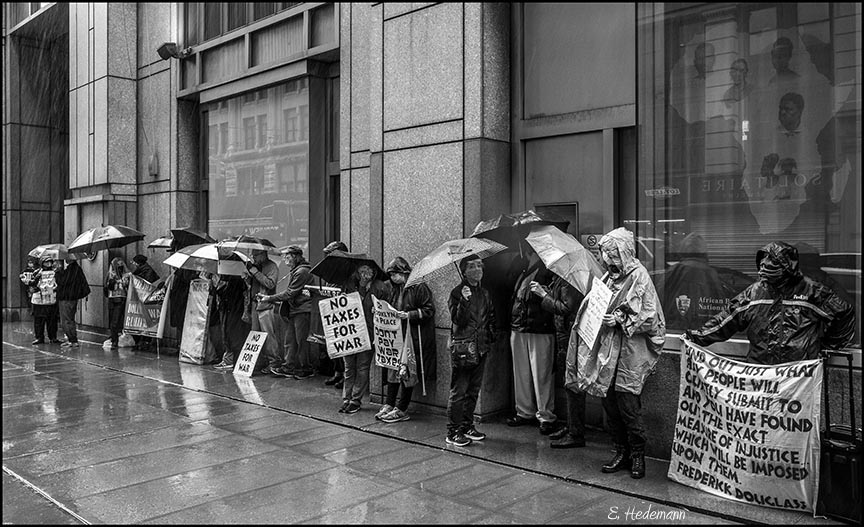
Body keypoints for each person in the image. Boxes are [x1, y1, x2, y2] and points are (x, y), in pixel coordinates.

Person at [686, 241, 855, 364]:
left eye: (771, 263)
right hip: (761, 374)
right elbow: (726, 320)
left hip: (797, 377)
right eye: (762, 263)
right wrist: (695, 337)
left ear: (787, 266)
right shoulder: (754, 293)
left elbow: (844, 312)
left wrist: (827, 346)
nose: (764, 267)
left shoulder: (811, 291)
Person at [590, 227, 666, 479]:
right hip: (609, 353)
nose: (608, 261)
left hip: (631, 354)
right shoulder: (609, 278)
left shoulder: (639, 276)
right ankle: (620, 451)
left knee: (628, 407)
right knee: (610, 404)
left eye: (612, 255)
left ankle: (637, 456)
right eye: (605, 256)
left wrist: (620, 320)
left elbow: (651, 316)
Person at [376, 257, 436, 424]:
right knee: (393, 370)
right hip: (396, 336)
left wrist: (409, 315)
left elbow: (429, 310)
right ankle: (389, 403)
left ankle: (402, 408)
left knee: (406, 372)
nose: (393, 278)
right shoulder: (392, 288)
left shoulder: (419, 287)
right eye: (391, 275)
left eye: (395, 274)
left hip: (411, 336)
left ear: (404, 273)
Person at [507, 248, 559, 434]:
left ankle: (545, 415)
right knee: (520, 372)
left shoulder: (551, 267)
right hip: (519, 325)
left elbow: (558, 297)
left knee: (542, 373)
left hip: (540, 325)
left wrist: (544, 292)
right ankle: (524, 411)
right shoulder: (521, 266)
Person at [446, 255, 496, 447]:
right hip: (464, 349)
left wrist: (490, 338)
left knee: (473, 390)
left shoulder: (485, 293)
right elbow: (458, 320)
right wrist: (464, 301)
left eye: (479, 266)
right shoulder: (457, 293)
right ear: (464, 271)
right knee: (459, 391)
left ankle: (467, 426)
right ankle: (453, 431)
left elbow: (490, 316)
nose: (478, 269)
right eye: (473, 266)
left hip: (481, 347)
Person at [531, 274, 585, 448]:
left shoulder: (570, 279)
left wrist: (543, 295)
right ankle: (571, 427)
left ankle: (575, 432)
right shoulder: (563, 278)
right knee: (569, 384)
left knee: (572, 384)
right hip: (565, 335)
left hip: (569, 336)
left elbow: (566, 308)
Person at [339, 262, 389, 414]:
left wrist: (379, 308)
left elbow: (387, 307)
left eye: (368, 271)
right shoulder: (349, 283)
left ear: (374, 273)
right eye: (362, 271)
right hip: (350, 332)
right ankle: (346, 398)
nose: (365, 274)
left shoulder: (380, 287)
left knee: (362, 367)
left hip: (369, 332)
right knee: (348, 367)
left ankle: (356, 399)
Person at [260, 245, 315, 379]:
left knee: (300, 341)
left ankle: (305, 369)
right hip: (295, 310)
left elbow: (291, 293)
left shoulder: (301, 272)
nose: (285, 259)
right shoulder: (297, 270)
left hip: (302, 310)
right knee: (290, 340)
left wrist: (270, 298)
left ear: (296, 256)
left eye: (288, 256)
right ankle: (288, 367)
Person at [657, 233, 730, 331]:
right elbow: (721, 308)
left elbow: (657, 300)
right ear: (705, 252)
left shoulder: (672, 272)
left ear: (682, 250)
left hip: (672, 329)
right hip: (704, 331)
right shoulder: (711, 274)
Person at [313, 241, 350, 388]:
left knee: (344, 347)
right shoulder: (331, 268)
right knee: (333, 345)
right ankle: (338, 372)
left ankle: (345, 376)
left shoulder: (347, 269)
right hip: (332, 311)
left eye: (330, 254)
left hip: (343, 313)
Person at [242, 249, 278, 372]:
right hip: (254, 304)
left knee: (268, 335)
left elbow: (270, 284)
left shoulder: (271, 266)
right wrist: (248, 277)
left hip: (266, 305)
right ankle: (258, 361)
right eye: (252, 255)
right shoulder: (255, 266)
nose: (254, 258)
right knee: (255, 334)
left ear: (263, 254)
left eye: (256, 255)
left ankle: (273, 362)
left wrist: (255, 272)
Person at [213, 274, 250, 370]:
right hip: (230, 310)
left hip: (236, 311)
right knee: (227, 334)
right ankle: (229, 359)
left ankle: (233, 360)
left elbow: (242, 296)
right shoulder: (229, 279)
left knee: (234, 335)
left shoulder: (236, 281)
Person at [55, 257, 90, 348]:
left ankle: (73, 340)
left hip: (67, 298)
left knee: (66, 320)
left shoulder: (72, 270)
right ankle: (72, 339)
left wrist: (58, 272)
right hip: (72, 298)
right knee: (69, 319)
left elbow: (62, 281)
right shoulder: (76, 269)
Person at [27, 256, 61, 345]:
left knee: (52, 320)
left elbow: (59, 283)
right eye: (46, 262)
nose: (48, 264)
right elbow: (31, 284)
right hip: (39, 300)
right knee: (39, 320)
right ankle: (39, 337)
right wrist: (36, 281)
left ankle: (53, 337)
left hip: (51, 300)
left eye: (50, 262)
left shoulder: (55, 272)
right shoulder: (37, 272)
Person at [130, 254, 160, 351]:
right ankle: (142, 341)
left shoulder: (147, 271)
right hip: (142, 300)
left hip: (147, 300)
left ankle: (145, 342)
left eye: (134, 262)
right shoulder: (141, 270)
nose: (133, 264)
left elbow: (147, 284)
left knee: (146, 321)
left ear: (138, 263)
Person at [104, 256, 130, 349]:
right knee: (113, 321)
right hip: (113, 299)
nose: (119, 268)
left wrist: (123, 282)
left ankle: (116, 339)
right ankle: (114, 339)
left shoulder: (126, 274)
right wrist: (113, 280)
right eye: (117, 266)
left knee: (118, 321)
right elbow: (107, 288)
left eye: (121, 266)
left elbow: (128, 286)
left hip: (121, 299)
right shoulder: (110, 275)